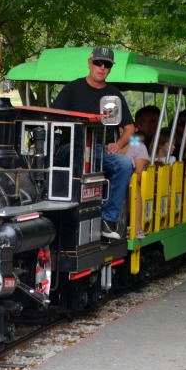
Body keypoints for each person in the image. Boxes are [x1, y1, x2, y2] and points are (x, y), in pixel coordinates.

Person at [54, 45, 135, 239]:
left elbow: (130, 128)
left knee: (124, 164)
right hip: (71, 147)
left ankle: (108, 219)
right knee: (81, 155)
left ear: (110, 68)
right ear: (89, 63)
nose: (102, 67)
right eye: (98, 63)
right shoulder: (72, 89)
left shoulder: (114, 94)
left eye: (106, 65)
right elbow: (54, 119)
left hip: (99, 151)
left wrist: (119, 144)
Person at [124, 132, 149, 239]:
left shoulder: (136, 145)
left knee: (131, 179)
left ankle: (137, 225)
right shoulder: (109, 144)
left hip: (131, 181)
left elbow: (138, 175)